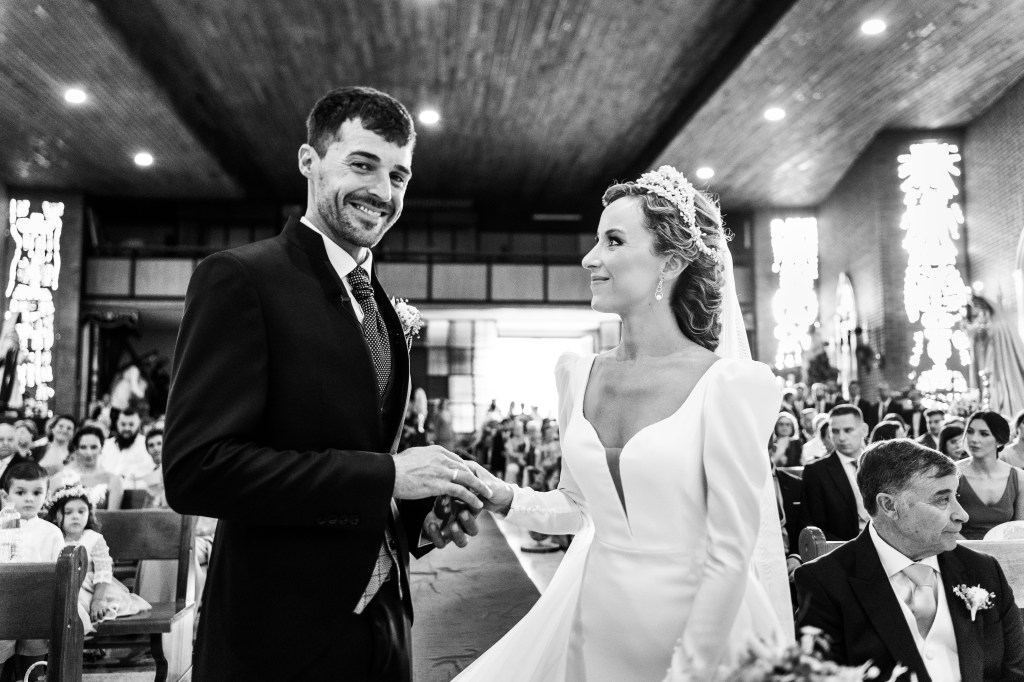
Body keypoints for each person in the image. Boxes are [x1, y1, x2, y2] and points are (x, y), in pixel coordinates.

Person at [162, 86, 492, 682]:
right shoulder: (240, 279)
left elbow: (356, 448)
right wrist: (388, 476)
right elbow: (197, 469)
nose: (383, 192)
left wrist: (410, 512)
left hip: (384, 630)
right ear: (309, 162)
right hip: (277, 637)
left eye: (399, 176)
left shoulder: (379, 302)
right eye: (362, 165)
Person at [453, 166, 792, 681]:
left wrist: (691, 668)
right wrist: (506, 497)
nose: (590, 258)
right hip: (599, 616)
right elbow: (579, 508)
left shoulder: (729, 385)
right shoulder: (576, 374)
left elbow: (730, 554)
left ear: (671, 262)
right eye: (597, 241)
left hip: (704, 630)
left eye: (613, 241)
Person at [795, 439, 1024, 681]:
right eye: (942, 499)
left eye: (955, 496)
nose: (962, 515)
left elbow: (1016, 671)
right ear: (889, 505)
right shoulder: (825, 583)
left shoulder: (982, 570)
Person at [44, 484, 151, 636]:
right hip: (61, 587)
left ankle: (77, 638)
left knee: (77, 605)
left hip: (91, 590)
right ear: (56, 516)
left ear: (89, 514)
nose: (76, 516)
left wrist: (98, 599)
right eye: (68, 512)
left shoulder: (93, 539)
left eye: (81, 511)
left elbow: (104, 570)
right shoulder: (52, 538)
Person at [0, 462, 65, 680]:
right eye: (20, 492)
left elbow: (60, 574)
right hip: (4, 608)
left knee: (32, 668)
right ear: (5, 495)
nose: (29, 499)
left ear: (46, 495)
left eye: (37, 493)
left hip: (37, 608)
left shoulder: (51, 533)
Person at [801, 405, 869, 541]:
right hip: (842, 547)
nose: (841, 438)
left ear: (864, 430)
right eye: (835, 431)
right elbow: (815, 525)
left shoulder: (882, 464)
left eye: (848, 430)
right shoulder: (816, 471)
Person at [956, 411, 1024, 539]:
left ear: (1000, 440)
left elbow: (1019, 530)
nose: (974, 439)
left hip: (1005, 548)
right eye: (970, 432)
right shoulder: (952, 473)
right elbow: (944, 526)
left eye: (984, 434)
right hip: (961, 548)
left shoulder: (1019, 477)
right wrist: (977, 550)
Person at [52, 426, 123, 510]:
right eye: (83, 447)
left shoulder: (114, 479)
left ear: (101, 448)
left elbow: (112, 515)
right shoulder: (60, 478)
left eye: (94, 447)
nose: (89, 453)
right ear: (77, 450)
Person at [98, 409, 154, 487]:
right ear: (117, 424)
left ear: (138, 425)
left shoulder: (146, 445)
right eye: (123, 424)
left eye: (131, 424)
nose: (127, 428)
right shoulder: (107, 445)